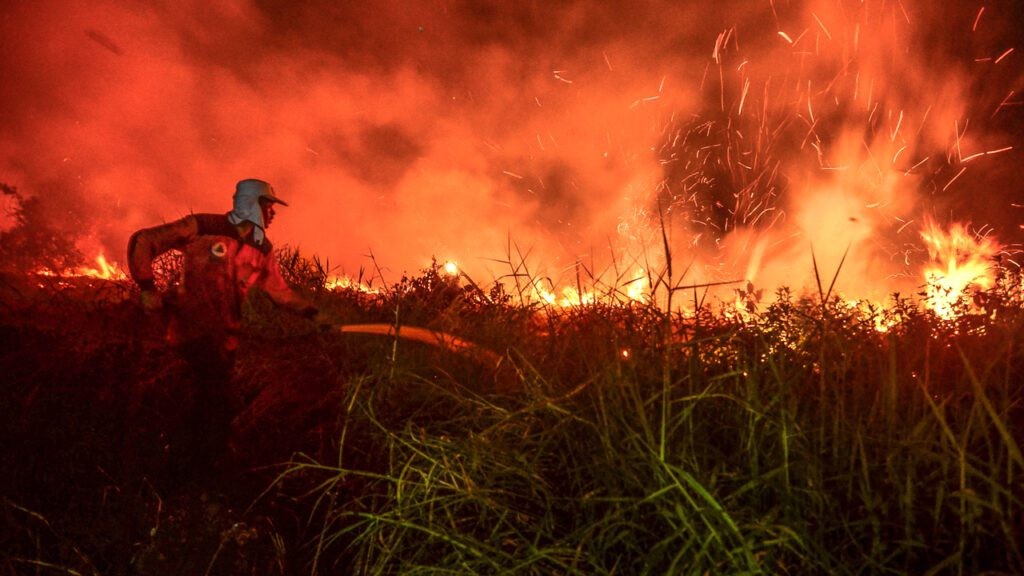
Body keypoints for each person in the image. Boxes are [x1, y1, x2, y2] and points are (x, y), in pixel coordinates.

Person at [126, 178, 322, 476]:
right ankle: (176, 476)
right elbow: (143, 241)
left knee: (214, 408)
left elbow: (279, 293)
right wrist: (147, 289)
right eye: (268, 205)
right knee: (196, 403)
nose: (273, 213)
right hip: (186, 337)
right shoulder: (202, 227)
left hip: (223, 344)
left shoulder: (261, 248)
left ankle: (194, 474)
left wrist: (312, 313)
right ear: (251, 204)